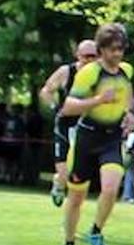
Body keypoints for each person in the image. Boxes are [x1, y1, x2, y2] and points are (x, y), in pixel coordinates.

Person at [59, 23, 134, 245]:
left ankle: (96, 232)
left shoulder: (125, 71)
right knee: (76, 198)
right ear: (102, 50)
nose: (118, 54)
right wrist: (98, 100)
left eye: (121, 49)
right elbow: (69, 107)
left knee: (112, 187)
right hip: (87, 138)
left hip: (111, 138)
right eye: (113, 49)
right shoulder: (90, 73)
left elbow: (127, 94)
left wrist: (128, 113)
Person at [38, 39, 100, 206]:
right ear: (77, 56)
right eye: (86, 56)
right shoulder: (66, 71)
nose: (89, 60)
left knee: (80, 170)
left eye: (94, 56)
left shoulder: (101, 75)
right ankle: (59, 183)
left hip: (87, 125)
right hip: (65, 123)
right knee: (64, 171)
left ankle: (74, 206)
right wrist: (54, 106)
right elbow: (46, 90)